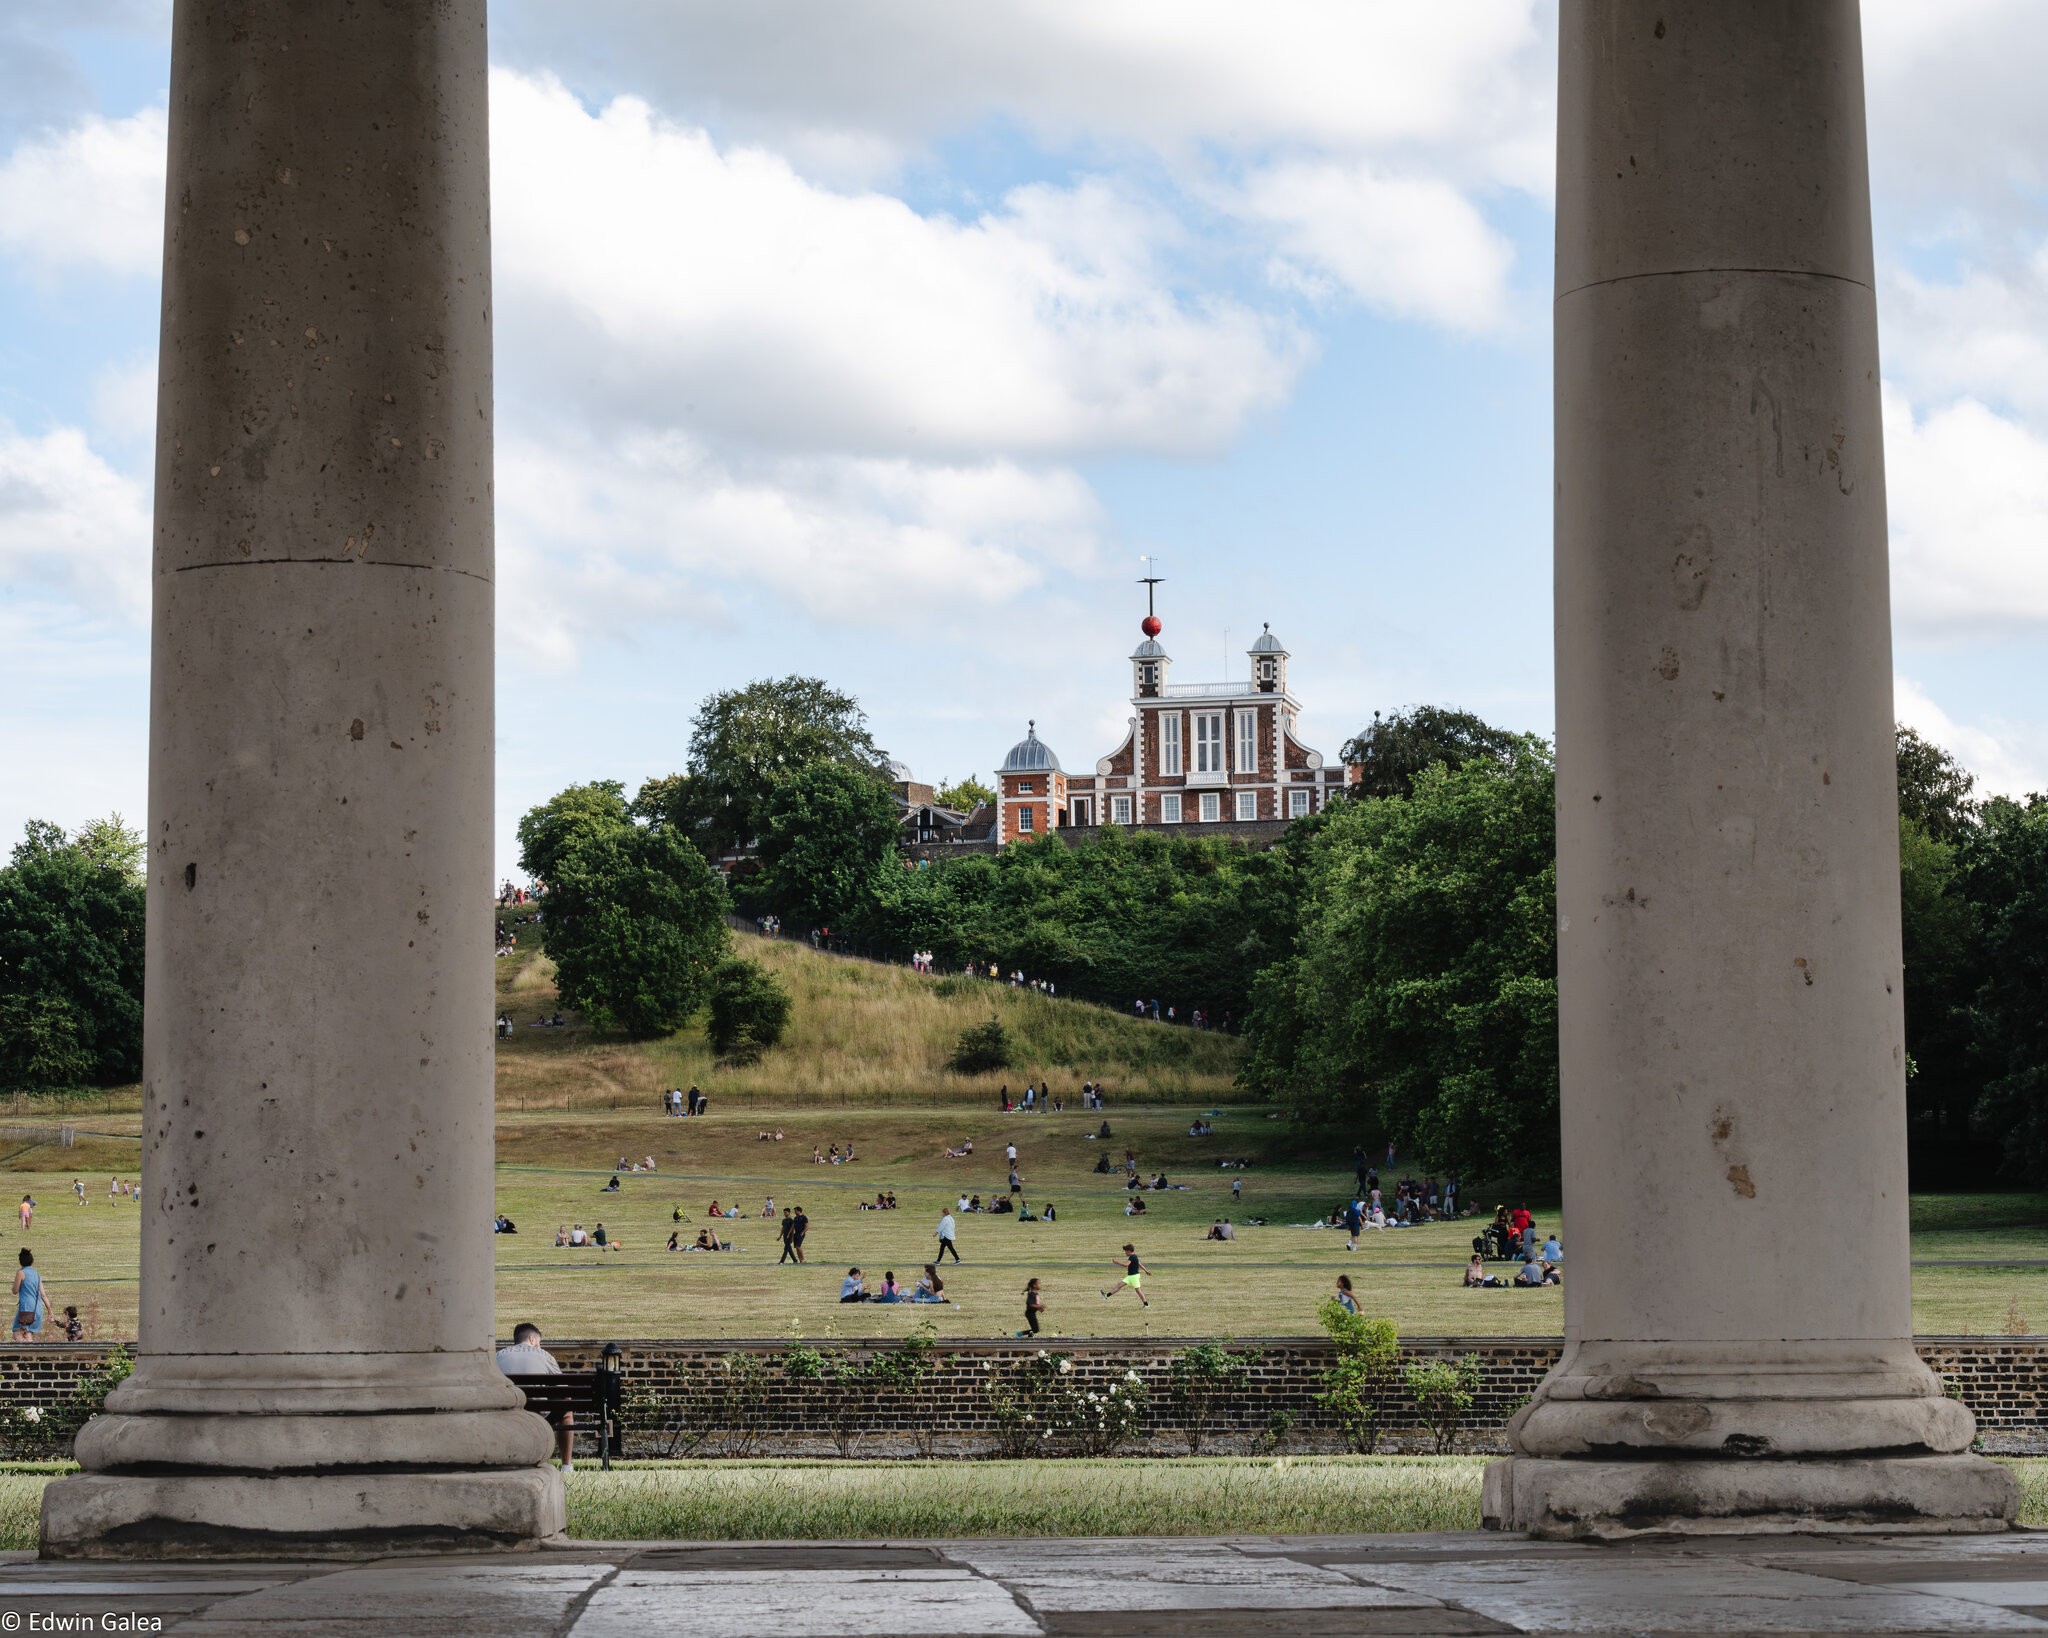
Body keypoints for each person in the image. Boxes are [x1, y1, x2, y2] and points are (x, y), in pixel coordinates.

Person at [496, 1322, 574, 1471]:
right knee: (567, 1412)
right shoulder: (544, 1355)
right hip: (539, 1414)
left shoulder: (498, 1356)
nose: (539, 1345)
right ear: (532, 1340)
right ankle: (566, 1466)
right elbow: (564, 1391)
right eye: (539, 1342)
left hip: (506, 1413)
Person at [11, 1249, 45, 1341]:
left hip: (27, 1309)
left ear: (20, 1261)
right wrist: (50, 1311)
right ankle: (29, 1353)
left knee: (17, 1332)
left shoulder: (21, 1273)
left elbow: (15, 1290)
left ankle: (26, 1354)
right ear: (32, 1261)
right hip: (37, 1309)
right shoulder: (37, 1274)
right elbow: (43, 1295)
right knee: (27, 1332)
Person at [1103, 1243, 1150, 1307]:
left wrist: (1117, 1262)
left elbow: (1126, 1265)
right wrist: (1146, 1271)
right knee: (1119, 1285)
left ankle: (1146, 1305)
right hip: (1130, 1276)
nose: (1125, 1253)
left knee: (1138, 1291)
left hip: (1134, 1277)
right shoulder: (1135, 1256)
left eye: (1126, 1251)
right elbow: (1140, 1264)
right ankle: (1106, 1295)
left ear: (1129, 1251)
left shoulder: (1132, 1257)